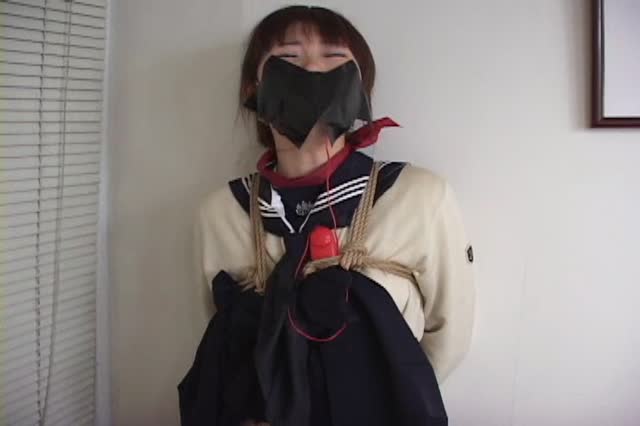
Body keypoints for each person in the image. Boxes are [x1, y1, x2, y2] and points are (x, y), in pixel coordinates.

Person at [178, 5, 475, 426]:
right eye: (288, 59)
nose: (313, 72)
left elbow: (450, 333)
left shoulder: (418, 197)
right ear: (253, 88)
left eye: (335, 59)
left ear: (361, 88)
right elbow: (214, 334)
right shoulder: (220, 213)